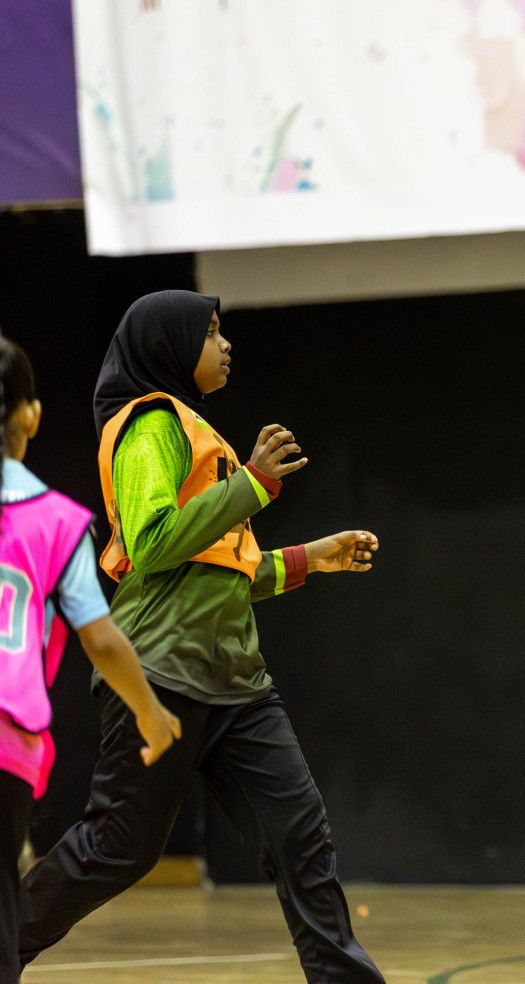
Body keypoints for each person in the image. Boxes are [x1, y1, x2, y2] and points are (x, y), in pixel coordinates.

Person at [16, 291, 387, 983]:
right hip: (159, 673)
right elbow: (155, 545)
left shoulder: (195, 433)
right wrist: (252, 485)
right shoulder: (148, 424)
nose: (225, 344)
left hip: (237, 684)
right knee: (118, 851)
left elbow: (225, 572)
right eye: (212, 332)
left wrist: (313, 557)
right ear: (168, 345)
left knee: (301, 836)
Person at [0, 333, 181, 984]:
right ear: (31, 415)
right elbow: (100, 638)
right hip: (6, 743)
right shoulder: (57, 521)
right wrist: (152, 715)